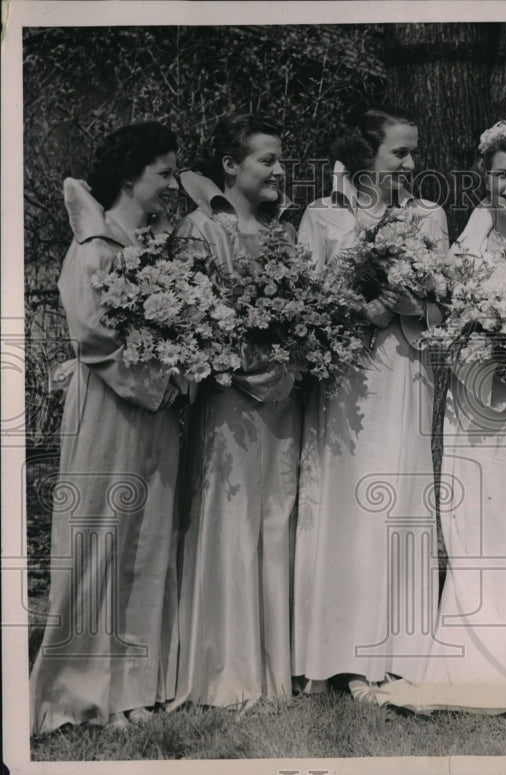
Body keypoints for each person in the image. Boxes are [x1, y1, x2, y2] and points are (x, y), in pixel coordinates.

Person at [378, 118, 506, 713]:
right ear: (484, 179)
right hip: (474, 402)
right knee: (474, 513)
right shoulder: (464, 249)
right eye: (502, 176)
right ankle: (473, 640)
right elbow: (438, 327)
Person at [29, 123, 187, 733]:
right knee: (101, 539)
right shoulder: (93, 247)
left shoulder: (151, 246)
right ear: (130, 176)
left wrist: (182, 366)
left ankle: (134, 685)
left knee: (147, 542)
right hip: (113, 408)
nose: (172, 184)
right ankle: (81, 689)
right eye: (163, 173)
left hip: (155, 409)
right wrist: (158, 378)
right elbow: (92, 337)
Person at [292, 107, 448, 700]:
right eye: (399, 154)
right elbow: (303, 304)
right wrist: (361, 310)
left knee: (398, 499)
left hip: (405, 374)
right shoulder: (322, 215)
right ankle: (335, 654)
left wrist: (411, 308)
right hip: (346, 377)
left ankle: (397, 652)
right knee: (346, 502)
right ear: (365, 157)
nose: (411, 164)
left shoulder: (429, 215)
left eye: (413, 153)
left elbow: (445, 309)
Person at [169, 114, 302, 710]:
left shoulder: (285, 233)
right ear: (231, 165)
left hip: (282, 399)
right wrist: (250, 371)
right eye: (266, 160)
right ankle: (227, 670)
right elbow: (191, 321)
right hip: (229, 398)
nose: (278, 170)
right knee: (231, 517)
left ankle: (277, 670)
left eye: (280, 161)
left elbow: (306, 313)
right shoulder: (201, 230)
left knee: (277, 516)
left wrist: (291, 361)